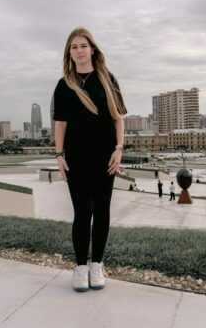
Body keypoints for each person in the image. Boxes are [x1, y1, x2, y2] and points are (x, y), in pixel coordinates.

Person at [53, 27, 127, 293]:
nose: (79, 50)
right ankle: (80, 267)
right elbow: (60, 124)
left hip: (105, 157)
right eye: (74, 47)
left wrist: (119, 149)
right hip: (76, 158)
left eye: (83, 45)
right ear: (69, 53)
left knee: (103, 211)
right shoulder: (64, 85)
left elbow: (118, 118)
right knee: (82, 213)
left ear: (93, 49)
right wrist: (59, 155)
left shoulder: (108, 79)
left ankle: (97, 264)